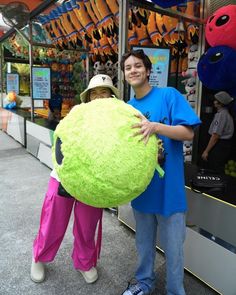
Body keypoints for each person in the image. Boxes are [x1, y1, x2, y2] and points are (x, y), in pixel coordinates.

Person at [120, 49, 201, 295]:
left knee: (174, 249)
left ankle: (175, 291)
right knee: (144, 245)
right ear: (124, 75)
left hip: (170, 191)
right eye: (128, 68)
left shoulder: (169, 95)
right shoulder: (125, 109)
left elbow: (188, 133)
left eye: (137, 66)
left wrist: (156, 127)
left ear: (147, 69)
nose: (133, 70)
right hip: (143, 191)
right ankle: (144, 283)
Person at [31, 74, 119, 284]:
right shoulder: (76, 114)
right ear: (88, 97)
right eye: (94, 93)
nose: (99, 97)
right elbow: (60, 141)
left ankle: (84, 261)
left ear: (111, 96)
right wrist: (67, 171)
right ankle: (39, 257)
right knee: (53, 221)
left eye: (104, 92)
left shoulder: (118, 120)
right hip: (64, 177)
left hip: (94, 182)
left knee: (87, 225)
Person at [201, 91, 234, 174]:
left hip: (220, 145)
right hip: (224, 146)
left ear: (220, 103)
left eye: (216, 100)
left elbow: (215, 136)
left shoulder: (221, 115)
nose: (214, 101)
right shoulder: (225, 113)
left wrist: (206, 151)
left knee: (215, 169)